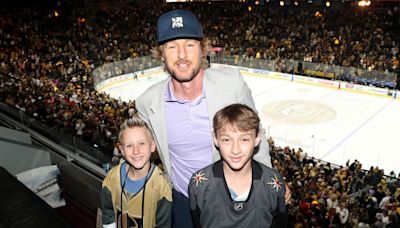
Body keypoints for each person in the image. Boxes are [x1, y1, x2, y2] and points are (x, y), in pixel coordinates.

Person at [135, 9, 273, 227]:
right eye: (172, 46)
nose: (181, 55)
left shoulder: (232, 84)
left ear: (203, 49)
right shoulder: (147, 103)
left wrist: (269, 181)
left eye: (189, 44)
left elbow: (256, 134)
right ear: (161, 54)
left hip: (233, 201)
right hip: (183, 203)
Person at [188, 104, 287, 227]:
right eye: (226, 140)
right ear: (215, 139)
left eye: (244, 140)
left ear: (257, 139)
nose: (235, 150)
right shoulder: (200, 184)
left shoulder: (273, 184)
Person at [101, 116, 172, 228]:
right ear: (122, 150)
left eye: (142, 144)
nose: (136, 151)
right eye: (129, 145)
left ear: (152, 146)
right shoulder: (112, 178)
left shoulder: (162, 187)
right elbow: (107, 211)